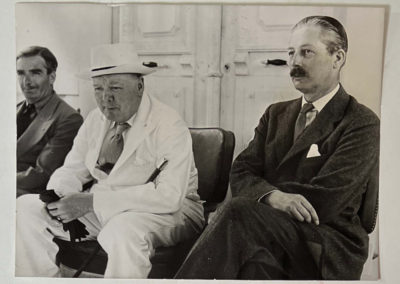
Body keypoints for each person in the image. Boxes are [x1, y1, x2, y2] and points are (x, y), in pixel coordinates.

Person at [174, 15, 379, 280]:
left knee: (236, 212)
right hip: (269, 230)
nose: (294, 63)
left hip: (323, 242)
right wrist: (273, 196)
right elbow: (240, 172)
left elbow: (326, 200)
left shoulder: (360, 121)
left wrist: (260, 194)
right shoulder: (276, 114)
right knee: (245, 249)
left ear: (337, 58)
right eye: (291, 53)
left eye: (307, 52)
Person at [15, 43, 205, 278]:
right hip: (102, 207)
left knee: (122, 230)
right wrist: (60, 196)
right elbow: (72, 169)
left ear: (139, 86)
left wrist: (90, 202)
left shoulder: (168, 124)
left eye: (115, 87)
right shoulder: (96, 119)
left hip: (165, 213)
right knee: (25, 208)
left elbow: (169, 197)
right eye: (98, 89)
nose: (106, 98)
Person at [16, 46, 83, 197]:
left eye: (35, 73)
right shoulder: (16, 109)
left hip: (29, 195)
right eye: (21, 73)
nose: (26, 81)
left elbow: (42, 174)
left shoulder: (69, 118)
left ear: (52, 77)